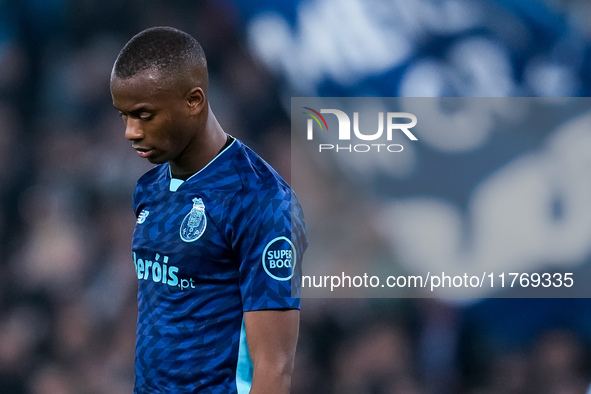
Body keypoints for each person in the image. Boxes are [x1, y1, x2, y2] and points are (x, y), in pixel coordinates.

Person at [110, 26, 307, 393]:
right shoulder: (149, 189)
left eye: (144, 115)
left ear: (194, 100)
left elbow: (275, 366)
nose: (131, 132)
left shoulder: (260, 200)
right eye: (124, 116)